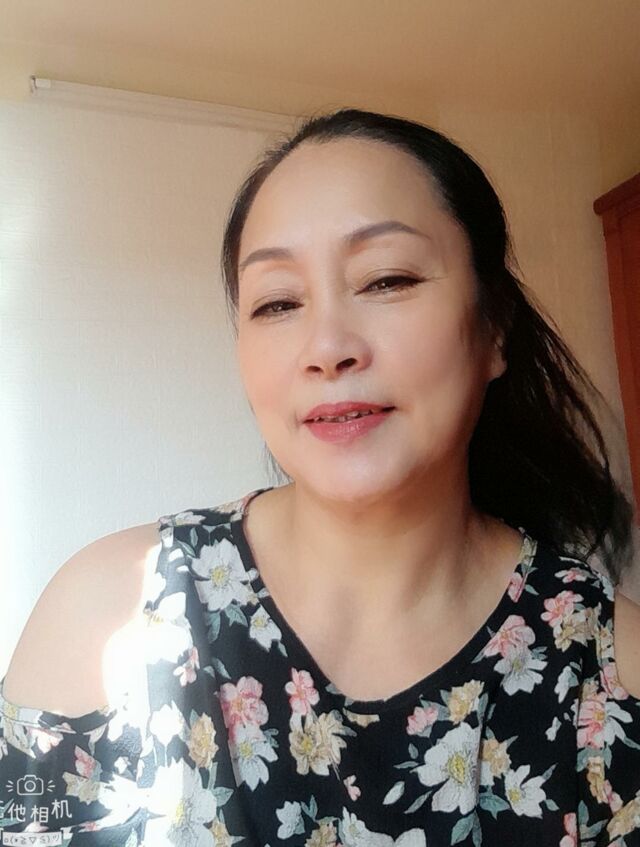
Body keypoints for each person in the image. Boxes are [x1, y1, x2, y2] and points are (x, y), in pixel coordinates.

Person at [1, 107, 639, 847]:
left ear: (493, 327)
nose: (327, 347)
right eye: (277, 302)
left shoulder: (612, 671)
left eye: (387, 279)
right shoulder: (108, 621)